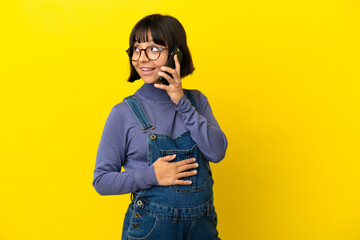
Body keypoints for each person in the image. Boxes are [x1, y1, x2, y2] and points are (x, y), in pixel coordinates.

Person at [93, 14, 228, 240]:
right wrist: (151, 175)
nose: (142, 58)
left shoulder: (197, 102)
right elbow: (101, 181)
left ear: (176, 54)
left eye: (154, 49)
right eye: (136, 49)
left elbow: (217, 152)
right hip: (151, 229)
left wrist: (181, 102)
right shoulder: (123, 113)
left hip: (201, 229)